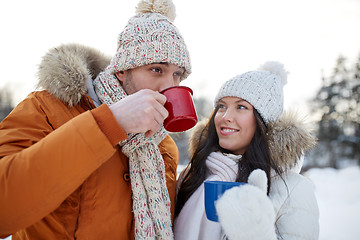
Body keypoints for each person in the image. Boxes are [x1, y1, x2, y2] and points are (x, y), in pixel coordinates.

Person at [0, 0, 191, 239]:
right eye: (156, 70)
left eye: (177, 75)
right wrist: (108, 124)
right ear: (122, 70)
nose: (168, 86)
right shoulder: (45, 108)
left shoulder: (162, 146)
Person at [174, 61, 320, 240]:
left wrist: (257, 235)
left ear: (263, 122)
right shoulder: (192, 174)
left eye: (241, 107)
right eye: (221, 106)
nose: (226, 117)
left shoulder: (293, 189)